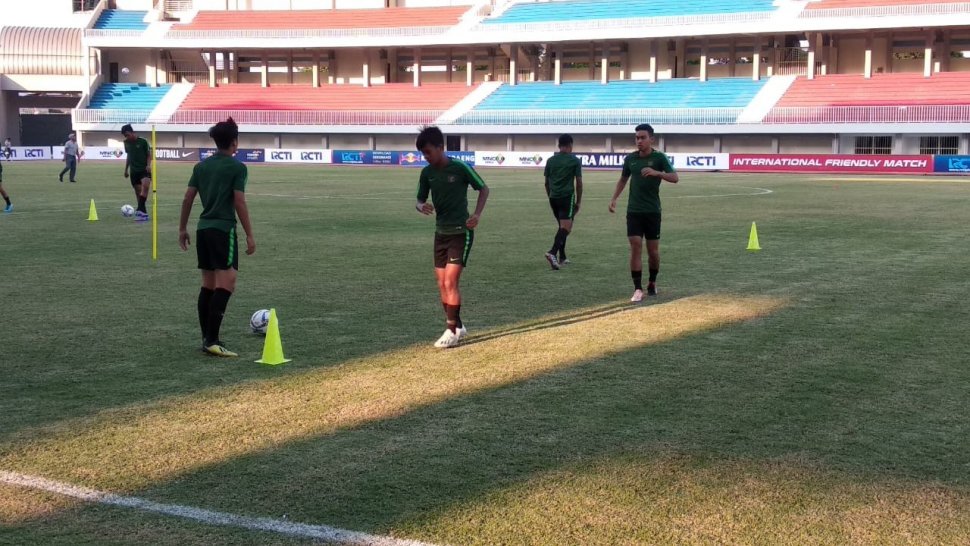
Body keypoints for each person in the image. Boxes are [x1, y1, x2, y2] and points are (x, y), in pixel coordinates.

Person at [177, 118, 255, 357]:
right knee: (227, 282)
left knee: (208, 284)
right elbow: (239, 201)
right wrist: (250, 234)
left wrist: (182, 229)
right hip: (223, 230)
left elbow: (188, 198)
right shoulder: (237, 167)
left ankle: (206, 338)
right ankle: (212, 339)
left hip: (203, 229)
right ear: (234, 142)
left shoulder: (201, 167)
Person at [415, 126, 490, 348]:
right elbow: (418, 200)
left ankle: (451, 331)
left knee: (450, 281)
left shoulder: (460, 168)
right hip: (441, 233)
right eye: (423, 154)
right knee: (441, 283)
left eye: (428, 152)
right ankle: (458, 325)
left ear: (441, 147)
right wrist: (422, 207)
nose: (426, 157)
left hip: (461, 232)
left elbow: (484, 189)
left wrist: (476, 215)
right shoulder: (426, 173)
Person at [608, 123, 678, 302]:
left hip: (652, 211)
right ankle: (637, 288)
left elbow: (675, 178)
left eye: (642, 137)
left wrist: (657, 173)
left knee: (653, 252)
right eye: (637, 138)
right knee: (635, 246)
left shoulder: (659, 158)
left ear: (651, 139)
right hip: (634, 211)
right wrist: (614, 198)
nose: (639, 141)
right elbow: (623, 179)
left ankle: (652, 282)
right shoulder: (630, 159)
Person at [543, 134, 583, 270]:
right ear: (570, 145)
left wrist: (550, 196)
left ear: (559, 145)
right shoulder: (574, 160)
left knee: (562, 227)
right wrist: (578, 201)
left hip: (553, 198)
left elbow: (546, 183)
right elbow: (579, 182)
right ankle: (552, 252)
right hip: (567, 197)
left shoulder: (550, 160)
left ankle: (563, 256)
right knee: (566, 228)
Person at [121, 124, 152, 221]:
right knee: (139, 194)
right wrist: (126, 169)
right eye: (125, 136)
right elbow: (128, 156)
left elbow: (149, 155)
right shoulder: (126, 143)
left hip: (144, 170)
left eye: (127, 135)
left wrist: (148, 165)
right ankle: (143, 214)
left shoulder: (143, 141)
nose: (127, 137)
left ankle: (139, 210)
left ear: (132, 132)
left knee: (145, 187)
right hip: (134, 171)